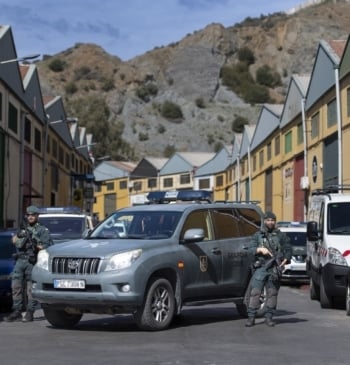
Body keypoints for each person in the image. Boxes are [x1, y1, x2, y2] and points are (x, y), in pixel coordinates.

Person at [4, 205, 52, 323]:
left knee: (31, 288)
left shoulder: (42, 230)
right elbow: (13, 241)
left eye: (33, 215)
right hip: (20, 260)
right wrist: (19, 235)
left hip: (32, 261)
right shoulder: (22, 228)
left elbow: (48, 245)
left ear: (37, 216)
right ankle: (17, 311)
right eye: (29, 215)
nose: (30, 217)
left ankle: (30, 312)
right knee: (16, 286)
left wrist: (36, 246)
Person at [245, 211, 292, 327]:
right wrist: (260, 250)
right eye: (268, 220)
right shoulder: (258, 235)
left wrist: (285, 259)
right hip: (261, 267)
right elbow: (250, 249)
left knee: (272, 293)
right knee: (255, 292)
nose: (270, 222)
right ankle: (251, 317)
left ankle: (269, 317)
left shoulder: (280, 235)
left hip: (274, 268)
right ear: (264, 221)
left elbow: (288, 248)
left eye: (272, 220)